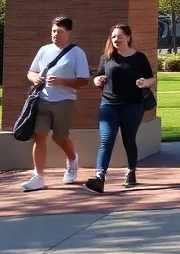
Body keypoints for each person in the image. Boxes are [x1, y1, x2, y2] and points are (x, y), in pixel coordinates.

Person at [21, 16, 91, 192]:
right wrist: (34, 77)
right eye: (53, 31)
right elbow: (31, 71)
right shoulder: (44, 50)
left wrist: (62, 81)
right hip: (42, 99)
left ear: (68, 33)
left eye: (59, 32)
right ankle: (38, 177)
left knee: (60, 136)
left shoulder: (77, 53)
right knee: (40, 135)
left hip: (64, 100)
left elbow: (83, 80)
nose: (55, 35)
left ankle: (73, 159)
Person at [85, 23, 155, 193]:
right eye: (113, 36)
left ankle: (131, 170)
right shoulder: (107, 57)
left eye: (119, 36)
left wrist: (145, 83)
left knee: (128, 140)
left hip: (132, 105)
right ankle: (99, 177)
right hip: (109, 104)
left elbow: (151, 78)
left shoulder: (139, 57)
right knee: (106, 139)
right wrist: (97, 81)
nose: (116, 39)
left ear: (128, 37)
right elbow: (99, 76)